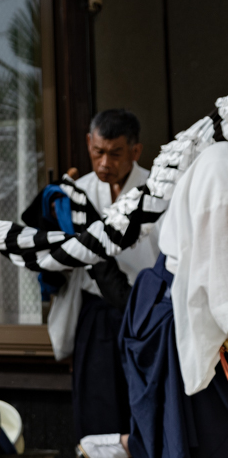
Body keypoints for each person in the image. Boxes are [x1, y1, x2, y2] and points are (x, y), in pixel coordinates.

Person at [89, 139, 228, 458]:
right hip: (180, 308)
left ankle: (124, 446)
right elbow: (222, 291)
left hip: (179, 298)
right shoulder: (221, 169)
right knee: (199, 434)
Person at [45, 110, 161, 445]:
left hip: (145, 313)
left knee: (145, 409)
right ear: (88, 144)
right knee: (97, 414)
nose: (104, 163)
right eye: (98, 152)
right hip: (95, 314)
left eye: (115, 153)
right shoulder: (75, 194)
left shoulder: (157, 192)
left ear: (136, 151)